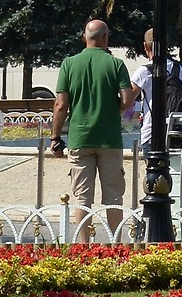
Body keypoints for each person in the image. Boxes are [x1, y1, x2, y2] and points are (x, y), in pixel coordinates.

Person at [51, 20, 137, 229]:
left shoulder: (69, 64)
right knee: (114, 197)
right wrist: (112, 112)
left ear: (85, 38)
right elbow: (127, 99)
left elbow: (61, 105)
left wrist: (55, 137)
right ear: (106, 38)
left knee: (82, 198)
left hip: (80, 138)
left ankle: (83, 247)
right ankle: (114, 245)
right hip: (109, 139)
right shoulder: (115, 64)